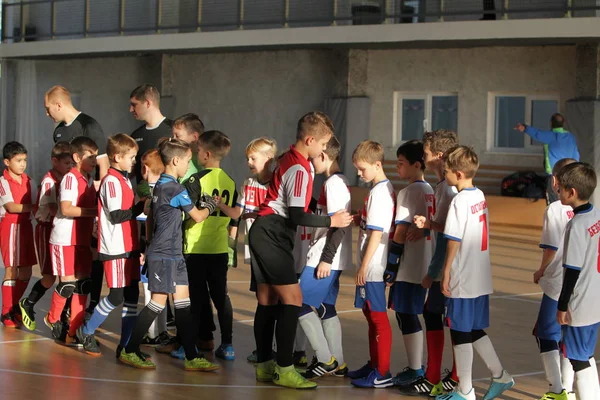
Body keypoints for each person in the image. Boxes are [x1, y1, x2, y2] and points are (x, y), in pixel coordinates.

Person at [248, 111, 351, 389]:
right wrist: (332, 220)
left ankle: (266, 366)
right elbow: (296, 215)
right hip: (272, 232)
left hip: (265, 230)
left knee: (268, 299)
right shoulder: (300, 167)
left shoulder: (287, 158)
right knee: (293, 299)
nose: (324, 150)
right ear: (310, 140)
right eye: (323, 144)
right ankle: (284, 367)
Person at [119, 138, 219, 372]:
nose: (188, 165)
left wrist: (149, 244)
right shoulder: (174, 187)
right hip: (165, 255)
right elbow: (198, 216)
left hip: (172, 254)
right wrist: (212, 204)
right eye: (186, 161)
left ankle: (192, 356)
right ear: (175, 161)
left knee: (183, 303)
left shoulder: (160, 187)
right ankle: (130, 349)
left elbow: (152, 217)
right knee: (157, 302)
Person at [436, 145, 514, 400]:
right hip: (480, 274)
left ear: (458, 174)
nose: (444, 174)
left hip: (464, 274)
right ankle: (499, 374)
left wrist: (446, 271)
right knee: (472, 329)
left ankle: (466, 391)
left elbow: (453, 240)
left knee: (459, 331)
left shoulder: (459, 200)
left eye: (446, 171)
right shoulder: (480, 195)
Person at [76, 134, 146, 357]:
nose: (134, 161)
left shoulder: (125, 179)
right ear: (117, 157)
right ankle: (86, 330)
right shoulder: (112, 181)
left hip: (130, 246)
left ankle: (126, 345)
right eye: (132, 157)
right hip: (116, 248)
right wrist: (139, 208)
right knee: (116, 295)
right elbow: (116, 216)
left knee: (133, 294)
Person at [404, 130, 460, 396]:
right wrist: (427, 228)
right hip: (448, 265)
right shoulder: (443, 186)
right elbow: (442, 227)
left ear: (439, 156)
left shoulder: (448, 189)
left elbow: (450, 235)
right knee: (444, 318)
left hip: (448, 267)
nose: (423, 158)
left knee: (439, 317)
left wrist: (434, 272)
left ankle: (437, 376)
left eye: (426, 154)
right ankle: (448, 375)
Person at [44, 85, 108, 318]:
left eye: (48, 108)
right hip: (69, 210)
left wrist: (98, 198)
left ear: (59, 104)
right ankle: (61, 316)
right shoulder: (59, 131)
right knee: (69, 275)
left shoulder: (89, 125)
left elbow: (102, 163)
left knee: (87, 264)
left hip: (86, 203)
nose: (47, 113)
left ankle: (85, 310)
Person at [217, 137, 277, 364]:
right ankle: (263, 350)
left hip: (274, 250)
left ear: (268, 158)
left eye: (253, 157)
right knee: (263, 301)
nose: (249, 162)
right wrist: (221, 205)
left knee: (276, 302)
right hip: (256, 252)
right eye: (247, 158)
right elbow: (237, 214)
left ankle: (281, 350)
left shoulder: (277, 184)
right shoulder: (248, 184)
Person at [298, 135, 352, 379]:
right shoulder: (337, 182)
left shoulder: (333, 184)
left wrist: (326, 259)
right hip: (331, 257)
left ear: (323, 155)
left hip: (325, 256)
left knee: (297, 303)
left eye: (314, 157)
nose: (311, 161)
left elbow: (338, 225)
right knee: (325, 307)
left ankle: (324, 359)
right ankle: (338, 362)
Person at [181, 130, 236, 361]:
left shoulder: (195, 180)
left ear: (206, 154)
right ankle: (227, 344)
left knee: (196, 297)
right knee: (220, 296)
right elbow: (234, 217)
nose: (195, 155)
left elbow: (187, 214)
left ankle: (190, 346)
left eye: (197, 151)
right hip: (219, 248)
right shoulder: (230, 182)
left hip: (195, 247)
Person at [386, 140, 434, 387]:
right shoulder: (431, 190)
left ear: (417, 165)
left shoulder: (408, 192)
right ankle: (418, 367)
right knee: (412, 314)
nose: (398, 168)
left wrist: (390, 267)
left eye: (402, 163)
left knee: (406, 314)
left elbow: (400, 231)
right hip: (426, 262)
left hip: (409, 266)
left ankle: (416, 368)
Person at [347, 140, 395, 389]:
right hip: (371, 263)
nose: (359, 173)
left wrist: (364, 267)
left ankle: (383, 371)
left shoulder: (380, 194)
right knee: (369, 313)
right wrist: (359, 218)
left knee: (377, 317)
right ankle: (374, 364)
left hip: (374, 266)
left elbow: (377, 234)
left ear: (377, 165)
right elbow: (371, 226)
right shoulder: (377, 190)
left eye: (362, 168)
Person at [44, 136, 98, 346]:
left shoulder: (89, 180)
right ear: (76, 157)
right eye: (90, 156)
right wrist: (95, 212)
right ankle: (53, 318)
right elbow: (66, 208)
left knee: (83, 285)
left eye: (96, 155)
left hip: (82, 238)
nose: (94, 159)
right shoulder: (70, 178)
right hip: (65, 238)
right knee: (67, 284)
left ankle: (73, 331)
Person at [532, 158, 577, 400]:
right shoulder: (590, 207)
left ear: (554, 181)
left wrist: (541, 270)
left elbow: (550, 248)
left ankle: (556, 389)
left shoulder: (555, 209)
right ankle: (568, 389)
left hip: (558, 282)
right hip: (580, 284)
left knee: (546, 334)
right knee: (567, 336)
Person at [555, 162, 600, 400]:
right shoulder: (597, 215)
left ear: (572, 193)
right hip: (596, 298)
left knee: (577, 359)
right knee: (586, 354)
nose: (557, 191)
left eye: (560, 188)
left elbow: (572, 270)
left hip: (580, 303)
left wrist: (562, 305)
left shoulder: (577, 225)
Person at [19, 142, 73, 331]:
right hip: (47, 229)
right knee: (50, 276)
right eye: (66, 163)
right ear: (54, 161)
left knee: (66, 276)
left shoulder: (69, 178)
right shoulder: (50, 181)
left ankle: (63, 315)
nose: (70, 166)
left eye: (71, 163)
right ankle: (28, 302)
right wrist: (72, 211)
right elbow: (53, 209)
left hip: (63, 229)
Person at [136, 149, 173, 347]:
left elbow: (142, 225)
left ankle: (152, 333)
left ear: (145, 168)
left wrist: (142, 249)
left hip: (150, 248)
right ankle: (160, 332)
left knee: (150, 294)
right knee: (162, 293)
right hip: (165, 248)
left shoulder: (145, 192)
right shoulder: (169, 188)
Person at [0, 142, 38, 328]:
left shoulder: (30, 181)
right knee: (11, 269)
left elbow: (38, 204)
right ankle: (6, 310)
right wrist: (33, 207)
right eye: (18, 160)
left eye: (24, 160)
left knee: (27, 270)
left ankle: (15, 304)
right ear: (7, 162)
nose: (23, 164)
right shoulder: (3, 182)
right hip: (11, 227)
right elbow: (11, 207)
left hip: (26, 227)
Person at [514, 114, 580, 204]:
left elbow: (537, 134)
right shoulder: (571, 137)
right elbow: (576, 155)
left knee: (554, 202)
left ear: (551, 123)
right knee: (567, 201)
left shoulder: (550, 136)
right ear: (563, 123)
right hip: (569, 174)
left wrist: (525, 128)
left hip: (554, 175)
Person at [129, 84, 173, 182]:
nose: (130, 109)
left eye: (134, 105)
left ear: (148, 103)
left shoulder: (173, 130)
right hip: (144, 196)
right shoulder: (135, 135)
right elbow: (130, 171)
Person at [172, 113, 204, 184]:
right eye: (173, 135)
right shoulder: (175, 158)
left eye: (177, 136)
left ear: (194, 137)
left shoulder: (205, 160)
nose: (173, 139)